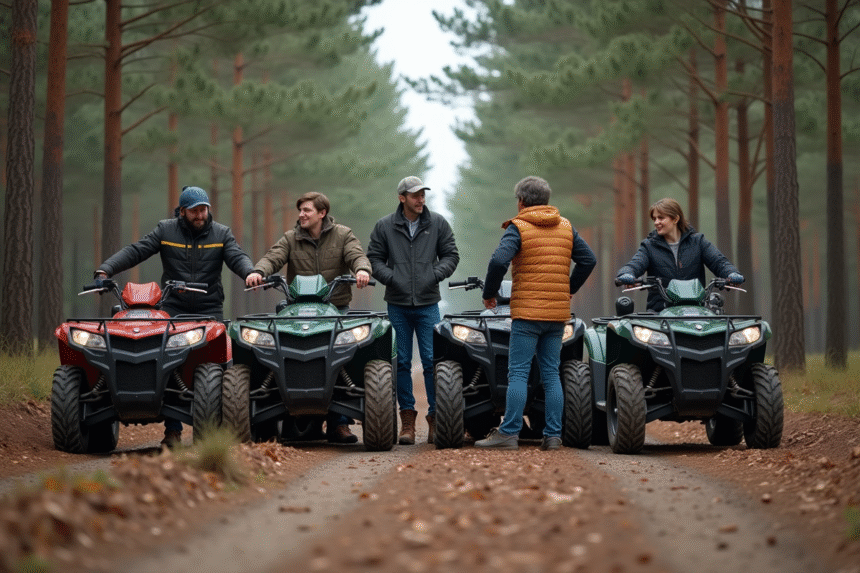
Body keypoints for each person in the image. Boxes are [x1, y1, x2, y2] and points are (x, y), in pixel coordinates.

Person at [95, 185, 255, 447]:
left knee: (220, 362)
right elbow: (137, 250)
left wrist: (249, 272)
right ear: (182, 211)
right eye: (194, 211)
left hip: (208, 308)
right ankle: (173, 430)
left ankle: (219, 425)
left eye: (204, 209)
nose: (200, 215)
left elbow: (237, 257)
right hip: (172, 309)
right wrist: (106, 269)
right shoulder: (165, 230)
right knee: (169, 363)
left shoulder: (221, 233)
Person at [474, 176, 596, 451]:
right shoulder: (566, 227)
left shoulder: (519, 227)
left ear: (521, 201)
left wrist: (489, 294)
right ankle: (553, 435)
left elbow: (498, 261)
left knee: (517, 372)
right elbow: (589, 259)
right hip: (556, 315)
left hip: (527, 314)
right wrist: (569, 289)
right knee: (551, 373)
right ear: (547, 200)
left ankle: (509, 433)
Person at [245, 191, 372, 444]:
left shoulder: (343, 235)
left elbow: (356, 254)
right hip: (296, 311)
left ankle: (340, 425)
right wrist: (258, 271)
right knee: (270, 355)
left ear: (322, 213)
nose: (301, 215)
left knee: (347, 359)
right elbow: (274, 256)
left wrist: (361, 270)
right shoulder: (291, 238)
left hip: (335, 310)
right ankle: (269, 419)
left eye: (307, 210)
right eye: (300, 210)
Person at [367, 176, 459, 445]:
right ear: (402, 198)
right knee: (402, 362)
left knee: (433, 362)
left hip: (429, 303)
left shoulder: (438, 223)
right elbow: (374, 259)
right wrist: (393, 278)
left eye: (423, 194)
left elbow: (451, 256)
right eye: (415, 195)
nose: (421, 199)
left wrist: (434, 274)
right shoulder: (385, 226)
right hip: (397, 304)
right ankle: (406, 421)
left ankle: (436, 419)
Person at [616, 197, 744, 311]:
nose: (656, 222)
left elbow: (719, 262)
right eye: (654, 218)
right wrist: (626, 274)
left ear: (676, 219)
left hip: (697, 311)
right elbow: (635, 264)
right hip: (659, 312)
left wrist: (732, 274)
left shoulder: (698, 242)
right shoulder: (649, 246)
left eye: (661, 218)